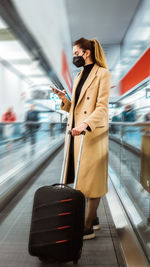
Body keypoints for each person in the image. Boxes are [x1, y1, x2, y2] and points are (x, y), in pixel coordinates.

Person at [53, 38, 111, 240]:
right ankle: (93, 219)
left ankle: (87, 226)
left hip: (92, 134)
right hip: (77, 134)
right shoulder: (79, 75)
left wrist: (86, 124)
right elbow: (77, 109)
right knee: (82, 179)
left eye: (76, 52)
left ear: (86, 52)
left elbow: (102, 107)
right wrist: (65, 100)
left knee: (92, 181)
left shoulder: (103, 74)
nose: (74, 56)